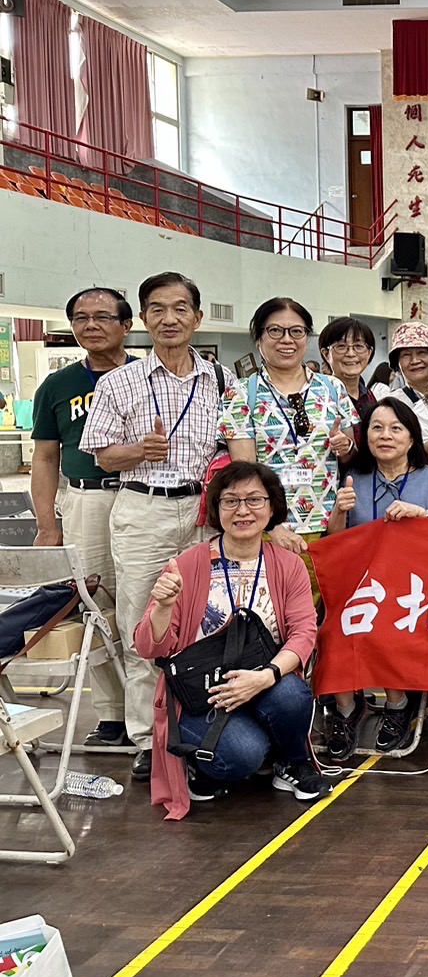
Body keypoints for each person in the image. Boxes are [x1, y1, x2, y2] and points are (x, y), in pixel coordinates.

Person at [81, 271, 230, 785]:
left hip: (204, 512)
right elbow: (103, 457)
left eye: (180, 308)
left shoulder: (219, 380)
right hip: (144, 509)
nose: (170, 319)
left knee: (206, 621)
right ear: (143, 319)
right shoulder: (118, 382)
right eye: (158, 310)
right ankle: (148, 739)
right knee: (142, 623)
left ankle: (200, 726)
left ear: (197, 317)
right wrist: (139, 451)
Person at [134, 461, 330, 819]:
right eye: (230, 501)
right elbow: (150, 648)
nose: (243, 510)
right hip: (204, 694)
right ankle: (207, 763)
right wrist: (162, 608)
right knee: (243, 755)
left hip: (263, 679)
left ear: (272, 507)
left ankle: (291, 762)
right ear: (216, 507)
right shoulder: (187, 565)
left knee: (292, 694)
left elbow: (304, 633)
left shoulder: (288, 565)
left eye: (255, 500)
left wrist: (266, 676)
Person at [322, 399, 428, 760]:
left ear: (412, 438)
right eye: (377, 428)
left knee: (382, 621)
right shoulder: (354, 479)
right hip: (364, 585)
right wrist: (339, 511)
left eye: (396, 428)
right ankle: (347, 709)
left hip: (420, 588)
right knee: (335, 622)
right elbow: (334, 542)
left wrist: (423, 516)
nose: (385, 436)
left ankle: (398, 705)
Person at [30, 286, 135, 746]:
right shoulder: (57, 386)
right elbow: (45, 458)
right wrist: (47, 524)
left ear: (126, 325)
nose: (90, 325)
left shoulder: (148, 375)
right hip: (86, 500)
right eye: (80, 318)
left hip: (141, 496)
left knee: (144, 603)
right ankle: (112, 714)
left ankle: (155, 708)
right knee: (95, 605)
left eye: (102, 316)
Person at [221, 298, 358, 555]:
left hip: (329, 525)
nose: (287, 340)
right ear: (259, 338)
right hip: (268, 530)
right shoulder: (241, 393)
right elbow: (245, 471)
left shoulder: (332, 388)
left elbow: (351, 456)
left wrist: (345, 446)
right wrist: (273, 526)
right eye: (275, 330)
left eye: (296, 331)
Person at [386, 321, 428, 467]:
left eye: (422, 352)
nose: (414, 361)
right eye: (406, 355)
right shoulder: (392, 403)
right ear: (397, 363)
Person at [318, 316, 385, 456]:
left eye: (358, 346)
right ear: (326, 354)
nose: (351, 354)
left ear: (369, 353)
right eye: (341, 347)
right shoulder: (318, 397)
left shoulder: (370, 396)